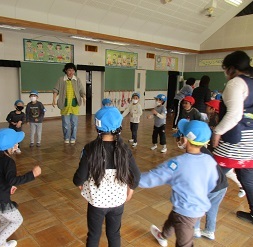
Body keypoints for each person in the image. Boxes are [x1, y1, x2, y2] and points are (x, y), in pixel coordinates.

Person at [139, 119, 218, 247]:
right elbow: (212, 184)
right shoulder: (210, 160)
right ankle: (163, 235)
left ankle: (165, 236)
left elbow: (154, 178)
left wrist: (131, 178)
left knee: (184, 243)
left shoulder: (178, 163)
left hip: (186, 212)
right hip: (198, 207)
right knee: (172, 219)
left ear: (185, 140)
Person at [73, 106, 141, 247]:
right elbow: (137, 175)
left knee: (93, 234)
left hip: (97, 203)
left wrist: (81, 184)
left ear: (97, 127)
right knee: (114, 234)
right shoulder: (125, 149)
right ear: (119, 126)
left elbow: (79, 178)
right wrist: (131, 190)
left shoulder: (89, 149)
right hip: (117, 202)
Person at [212, 50, 253, 228]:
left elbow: (234, 115)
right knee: (247, 177)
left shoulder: (235, 83)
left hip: (239, 139)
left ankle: (196, 203)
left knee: (212, 171)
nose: (225, 73)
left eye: (225, 69)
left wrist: (217, 132)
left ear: (232, 69)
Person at [0, 128, 42, 247]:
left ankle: (2, 244)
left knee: (5, 220)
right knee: (17, 220)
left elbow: (0, 179)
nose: (17, 144)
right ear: (10, 146)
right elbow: (12, 179)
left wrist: (10, 186)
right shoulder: (8, 162)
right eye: (16, 142)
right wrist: (32, 174)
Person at [205, 99, 246, 198]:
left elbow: (216, 135)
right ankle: (241, 186)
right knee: (228, 173)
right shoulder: (212, 117)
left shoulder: (216, 119)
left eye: (208, 106)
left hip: (223, 152)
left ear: (213, 109)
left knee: (216, 173)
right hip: (218, 151)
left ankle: (220, 188)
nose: (206, 107)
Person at [193, 146, 228, 241]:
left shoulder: (193, 155)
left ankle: (195, 230)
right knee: (213, 208)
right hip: (222, 185)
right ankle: (210, 231)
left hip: (209, 187)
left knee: (197, 207)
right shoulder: (205, 151)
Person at [52, 63, 86, 144]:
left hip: (74, 105)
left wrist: (84, 97)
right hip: (65, 104)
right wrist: (54, 99)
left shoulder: (77, 79)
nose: (71, 72)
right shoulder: (61, 79)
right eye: (69, 70)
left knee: (74, 124)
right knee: (66, 124)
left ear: (74, 71)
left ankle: (73, 137)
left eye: (73, 70)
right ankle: (66, 137)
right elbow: (56, 90)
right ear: (66, 71)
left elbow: (81, 90)